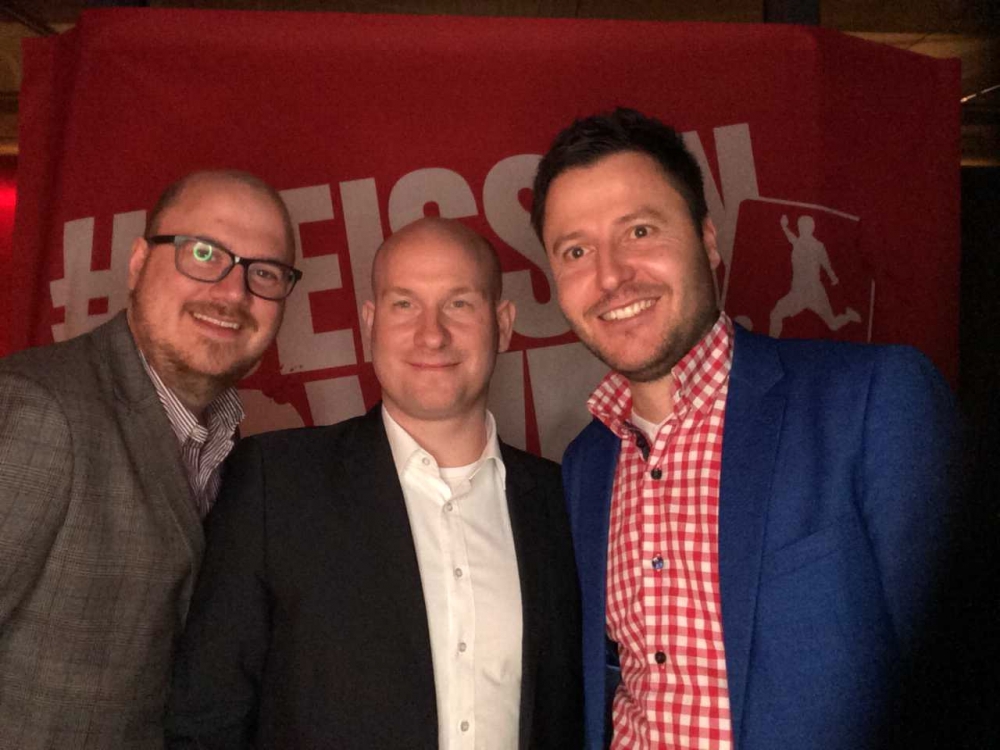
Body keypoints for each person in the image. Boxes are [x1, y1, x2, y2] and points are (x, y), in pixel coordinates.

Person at [530, 108, 957, 750]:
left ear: (707, 241)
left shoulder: (873, 401)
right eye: (576, 251)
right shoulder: (585, 464)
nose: (611, 275)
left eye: (640, 230)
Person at [165, 217, 582, 749]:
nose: (432, 334)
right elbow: (206, 720)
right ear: (370, 324)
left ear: (502, 325)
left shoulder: (562, 500)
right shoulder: (277, 484)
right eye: (404, 304)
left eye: (459, 304)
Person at [0, 169, 301, 749]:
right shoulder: (38, 409)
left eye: (264, 272)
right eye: (204, 253)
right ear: (138, 264)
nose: (232, 293)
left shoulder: (228, 443)